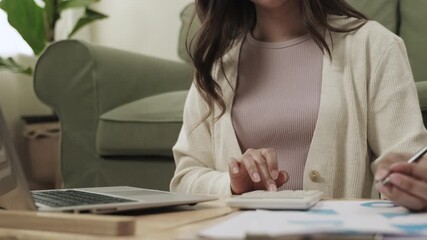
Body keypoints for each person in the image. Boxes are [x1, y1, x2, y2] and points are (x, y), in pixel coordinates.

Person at [170, 0, 427, 211]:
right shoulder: (215, 65)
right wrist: (233, 184)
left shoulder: (375, 46)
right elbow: (184, 180)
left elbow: (412, 163)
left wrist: (409, 183)